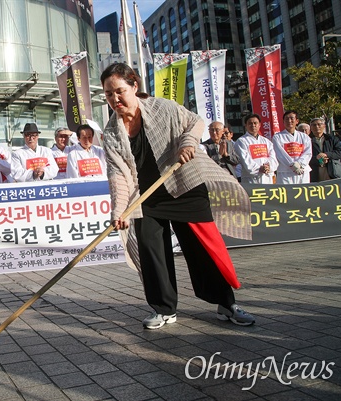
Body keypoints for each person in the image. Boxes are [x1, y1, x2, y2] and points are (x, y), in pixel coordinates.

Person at [100, 63, 254, 329]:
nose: (115, 99)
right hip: (146, 197)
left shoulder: (162, 108)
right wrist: (119, 210)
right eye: (108, 94)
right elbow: (118, 174)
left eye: (119, 91)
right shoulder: (112, 132)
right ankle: (163, 308)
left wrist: (188, 143)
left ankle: (226, 304)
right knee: (151, 249)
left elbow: (195, 122)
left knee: (202, 249)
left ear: (134, 86)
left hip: (184, 185)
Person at [235, 113, 279, 184]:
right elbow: (245, 159)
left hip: (267, 177)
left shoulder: (266, 141)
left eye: (255, 123)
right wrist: (259, 168)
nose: (253, 125)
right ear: (245, 125)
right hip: (251, 179)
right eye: (250, 123)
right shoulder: (241, 141)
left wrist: (269, 167)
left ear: (259, 125)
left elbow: (273, 157)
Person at [272, 110, 312, 184]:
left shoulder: (304, 137)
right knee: (287, 193)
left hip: (302, 170)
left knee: (303, 193)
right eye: (286, 119)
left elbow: (308, 153)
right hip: (285, 172)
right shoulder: (277, 137)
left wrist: (300, 164)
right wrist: (293, 165)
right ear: (283, 121)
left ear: (297, 121)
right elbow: (280, 154)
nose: (289, 121)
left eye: (292, 118)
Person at [308, 118, 341, 182]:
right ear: (310, 127)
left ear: (324, 126)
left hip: (331, 170)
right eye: (314, 125)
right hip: (314, 171)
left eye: (319, 124)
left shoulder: (332, 139)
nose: (317, 127)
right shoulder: (307, 140)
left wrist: (326, 155)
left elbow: (340, 152)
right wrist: (317, 158)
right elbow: (305, 156)